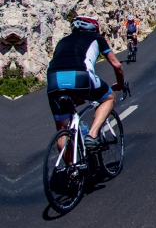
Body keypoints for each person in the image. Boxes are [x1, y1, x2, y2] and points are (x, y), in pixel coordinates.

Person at [46, 16, 124, 150]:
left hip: (53, 79)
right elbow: (117, 65)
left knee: (62, 129)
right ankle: (92, 135)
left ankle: (71, 169)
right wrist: (120, 84)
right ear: (95, 28)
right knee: (109, 98)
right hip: (80, 75)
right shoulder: (96, 37)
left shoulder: (62, 41)